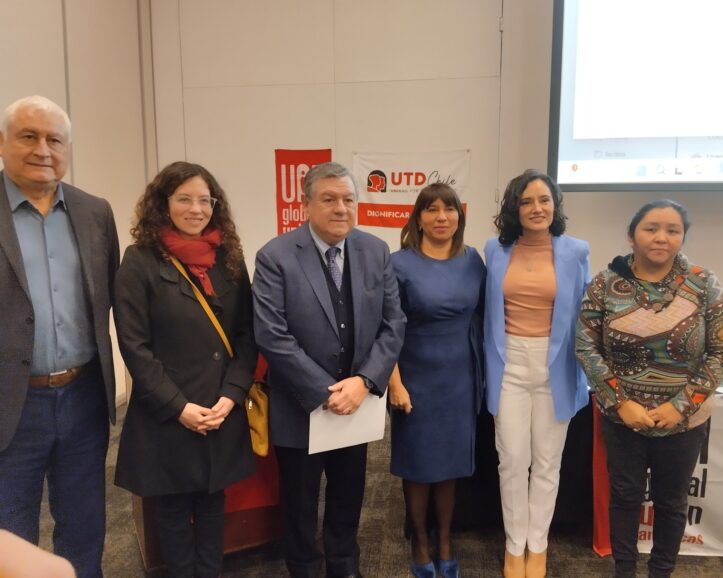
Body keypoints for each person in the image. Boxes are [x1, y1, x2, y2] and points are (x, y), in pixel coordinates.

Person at [253, 161, 406, 578]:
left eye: (348, 199)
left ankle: (344, 566)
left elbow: (394, 324)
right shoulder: (275, 256)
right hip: (301, 403)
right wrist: (327, 391)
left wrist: (365, 382)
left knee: (348, 495)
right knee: (299, 503)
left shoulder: (375, 250)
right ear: (305, 204)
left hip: (357, 403)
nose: (341, 208)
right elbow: (272, 334)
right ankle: (303, 569)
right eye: (329, 199)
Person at [576, 199, 723, 578]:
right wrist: (620, 402)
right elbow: (585, 345)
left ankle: (661, 571)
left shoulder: (703, 283)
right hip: (622, 417)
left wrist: (681, 405)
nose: (661, 237)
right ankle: (625, 570)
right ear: (631, 235)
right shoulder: (604, 283)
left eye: (672, 230)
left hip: (682, 420)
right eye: (651, 228)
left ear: (682, 237)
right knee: (625, 497)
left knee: (671, 501)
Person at [113, 161, 257, 577]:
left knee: (213, 502)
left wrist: (231, 395)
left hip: (219, 407)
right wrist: (179, 407)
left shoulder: (228, 257)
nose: (196, 209)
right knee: (173, 510)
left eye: (205, 200)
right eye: (184, 199)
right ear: (164, 203)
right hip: (169, 411)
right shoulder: (139, 261)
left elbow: (247, 334)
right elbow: (134, 346)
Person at [0, 95, 119, 577]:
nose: (43, 149)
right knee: (11, 528)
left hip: (83, 395)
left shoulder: (95, 212)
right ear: (3, 143)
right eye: (29, 136)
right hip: (11, 404)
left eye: (55, 139)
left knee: (84, 523)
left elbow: (110, 293)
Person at [484, 169, 590, 578]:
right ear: (514, 208)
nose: (536, 208)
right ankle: (514, 546)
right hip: (507, 361)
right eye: (526, 201)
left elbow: (585, 311)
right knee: (511, 460)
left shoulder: (576, 250)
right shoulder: (495, 248)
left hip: (556, 365)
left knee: (547, 462)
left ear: (555, 205)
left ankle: (537, 547)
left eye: (544, 200)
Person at [387, 184, 485, 578]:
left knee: (449, 465)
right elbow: (387, 327)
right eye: (431, 209)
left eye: (449, 209)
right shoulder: (398, 263)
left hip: (460, 374)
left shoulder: (473, 260)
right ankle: (421, 542)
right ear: (418, 217)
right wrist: (394, 382)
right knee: (418, 464)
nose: (441, 216)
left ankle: (445, 539)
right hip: (415, 373)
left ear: (459, 217)